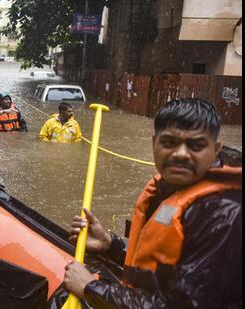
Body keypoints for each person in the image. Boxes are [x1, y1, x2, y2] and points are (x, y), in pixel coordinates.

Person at [63, 98, 242, 308]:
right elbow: (162, 266)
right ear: (154, 142)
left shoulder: (224, 215)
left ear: (216, 150)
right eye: (169, 143)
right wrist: (111, 246)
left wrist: (90, 287)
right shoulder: (170, 188)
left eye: (196, 145)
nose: (181, 154)